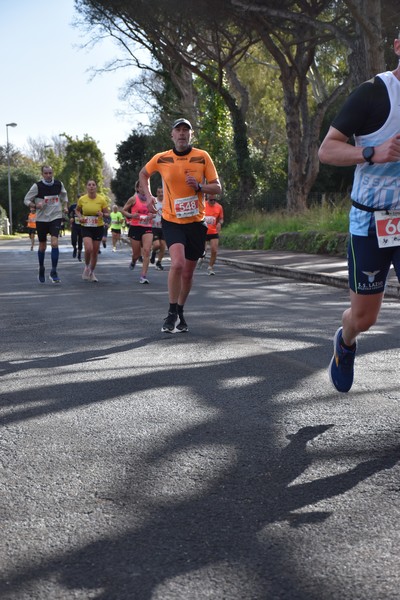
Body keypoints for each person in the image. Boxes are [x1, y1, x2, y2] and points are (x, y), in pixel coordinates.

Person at [318, 33, 400, 393]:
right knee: (364, 318)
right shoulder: (373, 92)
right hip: (371, 221)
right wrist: (371, 153)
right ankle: (346, 341)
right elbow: (327, 151)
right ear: (398, 46)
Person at [139, 117, 222, 333]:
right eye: (179, 130)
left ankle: (180, 310)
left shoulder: (202, 157)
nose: (182, 134)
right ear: (172, 135)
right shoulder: (162, 158)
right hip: (172, 220)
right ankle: (171, 311)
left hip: (195, 223)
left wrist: (200, 187)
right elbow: (143, 174)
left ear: (191, 135)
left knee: (187, 273)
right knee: (176, 264)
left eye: (186, 130)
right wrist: (148, 197)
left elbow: (217, 188)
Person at [24, 165, 69, 284]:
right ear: (42, 174)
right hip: (42, 218)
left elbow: (64, 196)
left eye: (50, 173)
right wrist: (35, 205)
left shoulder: (59, 184)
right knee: (42, 245)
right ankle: (41, 268)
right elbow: (26, 200)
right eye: (46, 173)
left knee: (54, 243)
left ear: (53, 173)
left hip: (55, 216)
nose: (48, 175)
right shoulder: (37, 186)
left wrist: (65, 206)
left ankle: (54, 271)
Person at [76, 179, 110, 282]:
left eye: (93, 185)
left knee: (95, 252)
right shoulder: (82, 199)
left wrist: (103, 215)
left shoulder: (101, 200)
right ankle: (86, 266)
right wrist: (80, 216)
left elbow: (107, 214)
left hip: (98, 227)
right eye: (89, 185)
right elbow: (77, 210)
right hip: (86, 226)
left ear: (96, 187)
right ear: (87, 187)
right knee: (88, 249)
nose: (91, 186)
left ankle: (91, 272)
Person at [121, 180, 154, 284]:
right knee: (136, 254)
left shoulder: (152, 199)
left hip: (147, 227)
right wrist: (131, 215)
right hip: (135, 227)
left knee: (147, 251)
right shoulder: (133, 199)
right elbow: (124, 210)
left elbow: (157, 212)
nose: (144, 189)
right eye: (141, 187)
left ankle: (143, 276)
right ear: (137, 188)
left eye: (145, 187)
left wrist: (152, 215)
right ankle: (133, 261)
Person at [203, 194, 224, 275]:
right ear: (207, 199)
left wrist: (219, 223)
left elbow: (221, 219)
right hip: (203, 231)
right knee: (203, 250)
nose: (213, 202)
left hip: (214, 231)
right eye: (211, 200)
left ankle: (210, 267)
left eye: (214, 200)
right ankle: (201, 258)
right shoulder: (203, 205)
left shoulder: (219, 207)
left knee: (214, 250)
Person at [150, 185, 167, 270]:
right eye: (159, 192)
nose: (161, 194)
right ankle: (153, 253)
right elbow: (148, 210)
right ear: (156, 193)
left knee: (163, 245)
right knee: (157, 244)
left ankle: (159, 262)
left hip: (164, 227)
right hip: (154, 227)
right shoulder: (154, 201)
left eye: (162, 192)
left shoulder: (167, 202)